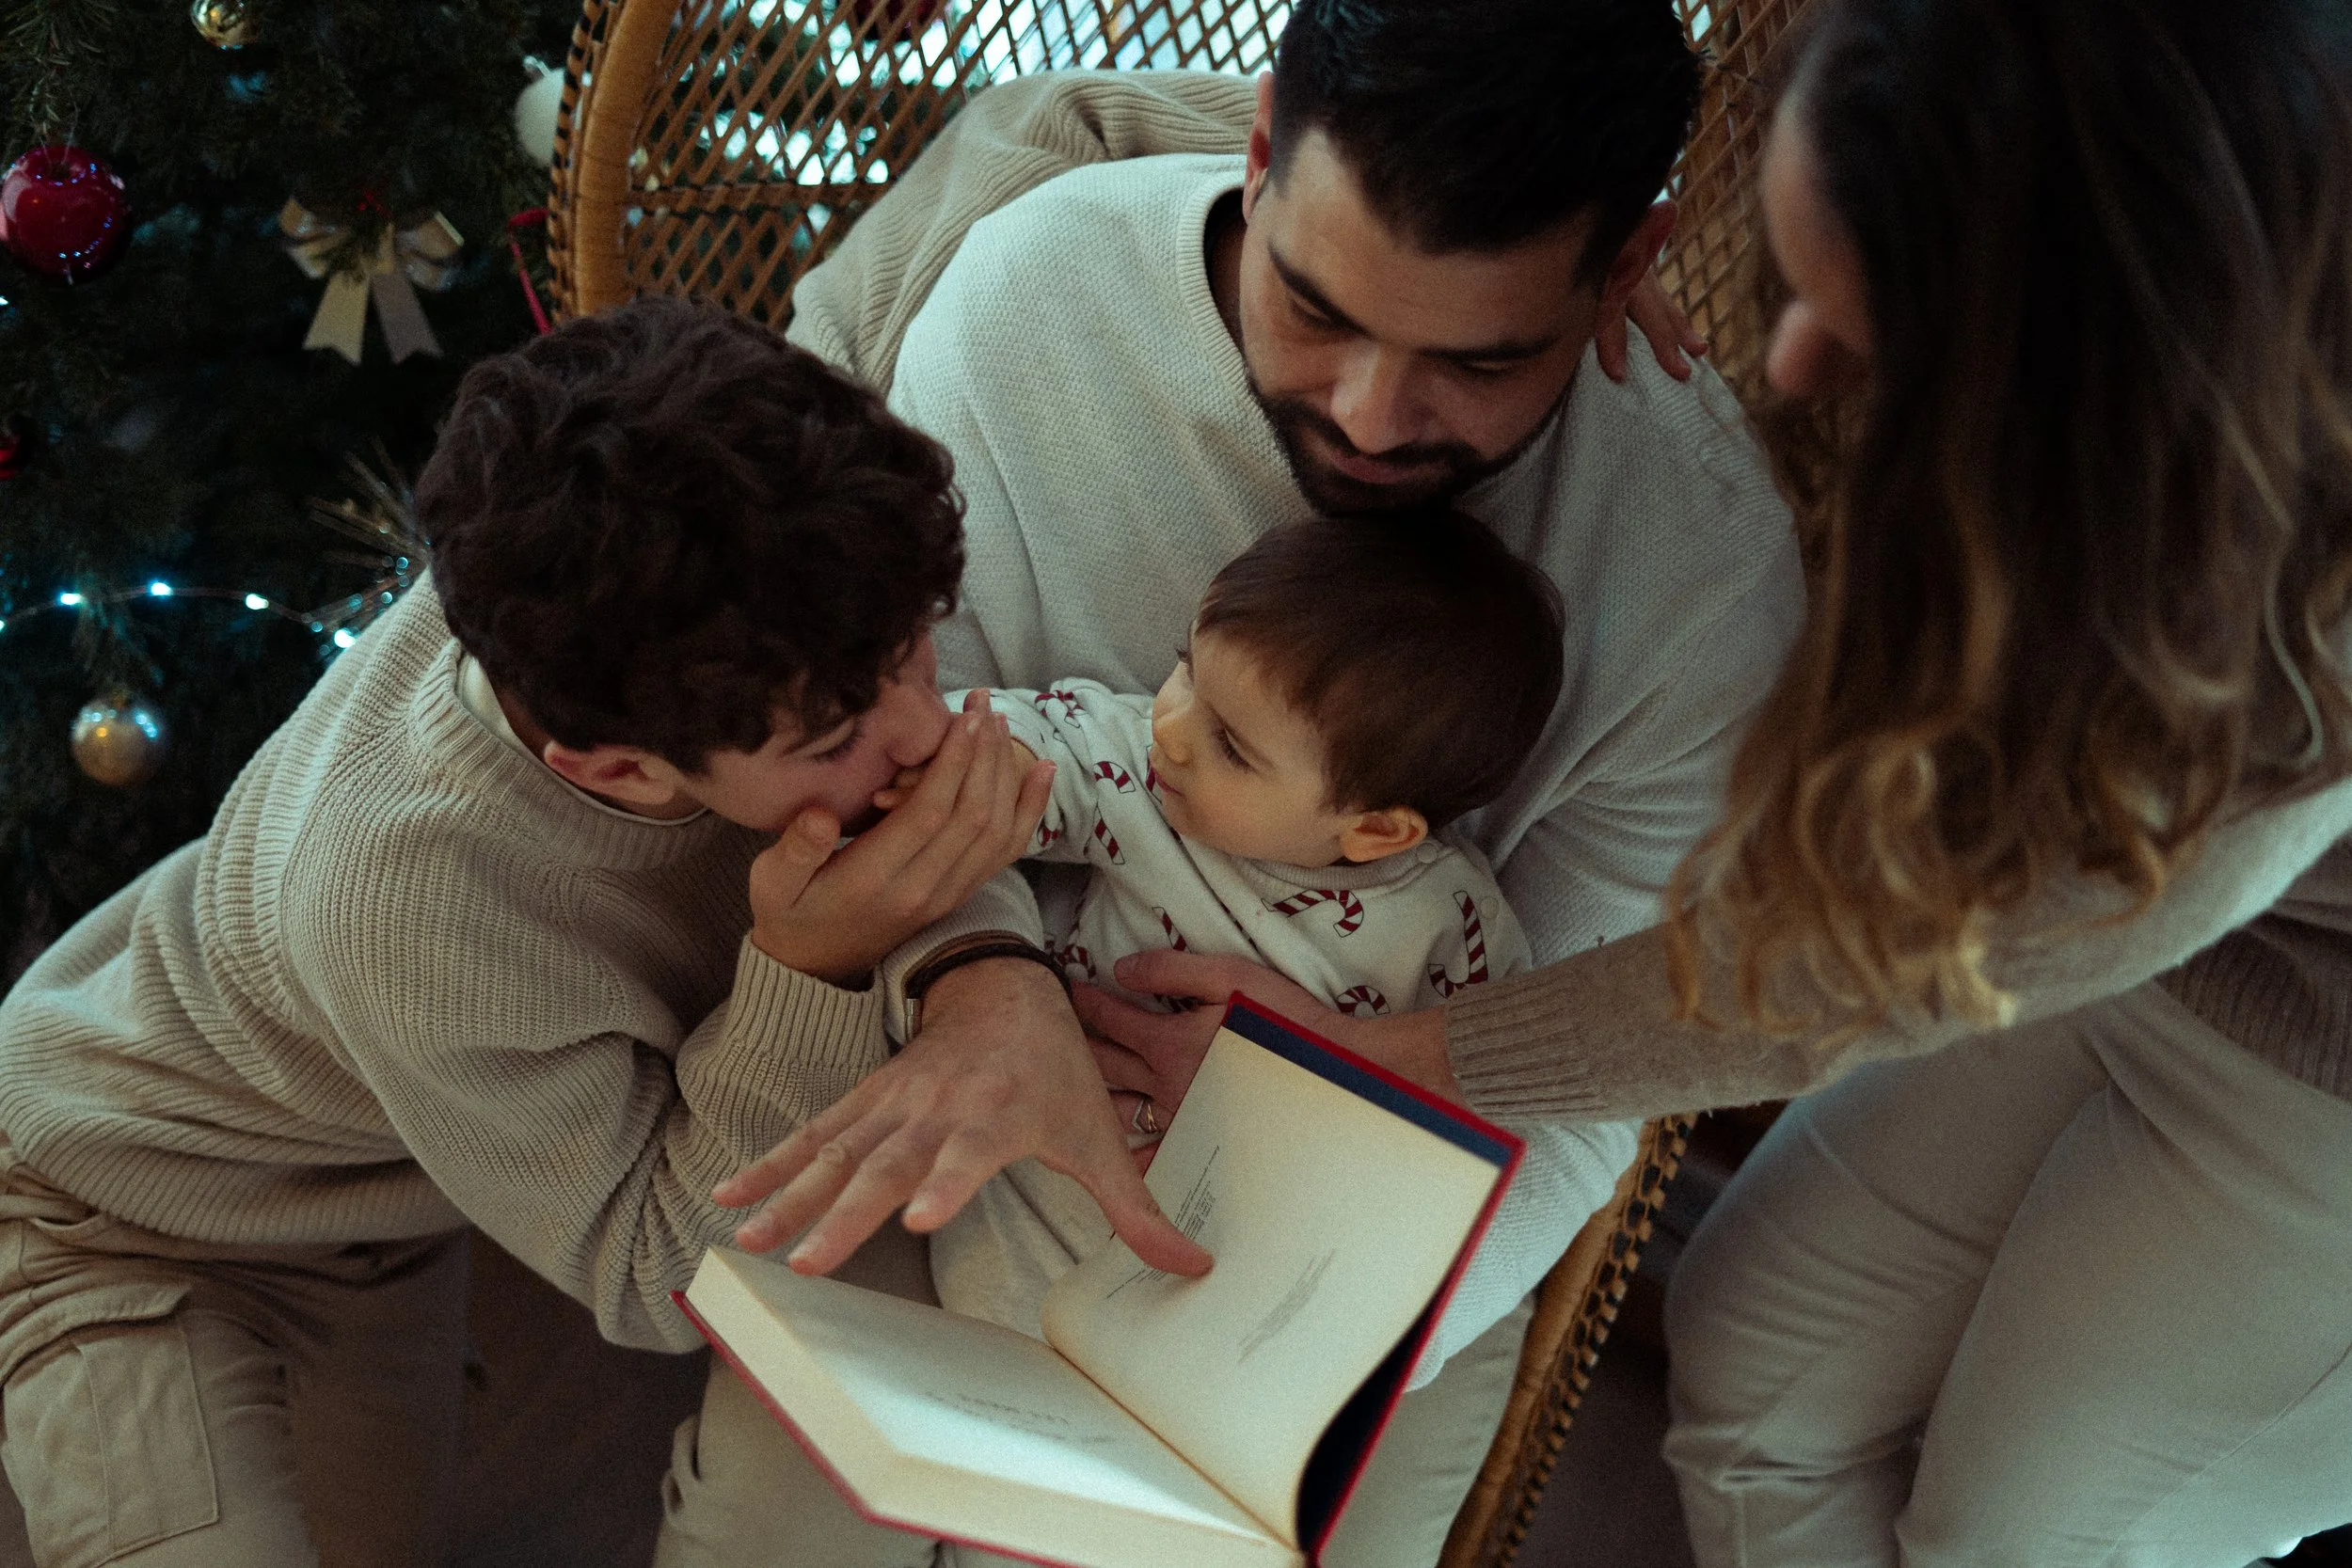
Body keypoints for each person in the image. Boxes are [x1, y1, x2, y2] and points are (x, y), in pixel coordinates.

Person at [749, 0, 2352, 1563]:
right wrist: (982, 981)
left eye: (1884, 344)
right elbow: (907, 736)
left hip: (2301, 1052)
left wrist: (1378, 1089)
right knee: (1751, 1384)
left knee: (2027, 1523)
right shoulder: (1045, 303)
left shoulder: (2206, 649)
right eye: (1799, 269)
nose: (1783, 365)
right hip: (2083, 941)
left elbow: (1836, 980)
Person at [0, 296, 1078, 1566]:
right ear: (618, 770)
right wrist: (808, 965)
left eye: (914, 651)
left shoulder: (775, 523)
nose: (923, 731)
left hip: (383, 1215)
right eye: (839, 738)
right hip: (115, 1208)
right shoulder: (404, 893)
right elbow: (652, 1270)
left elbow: (1032, 130)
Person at [924, 515, 1638, 1400]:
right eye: (1186, 666)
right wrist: (930, 767)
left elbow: (1485, 1123)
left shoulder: (1449, 929)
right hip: (1028, 1202)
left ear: (1375, 829)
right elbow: (1024, 757)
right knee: (976, 1417)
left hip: (1229, 1296)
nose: (1172, 727)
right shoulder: (1138, 776)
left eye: (1232, 743)